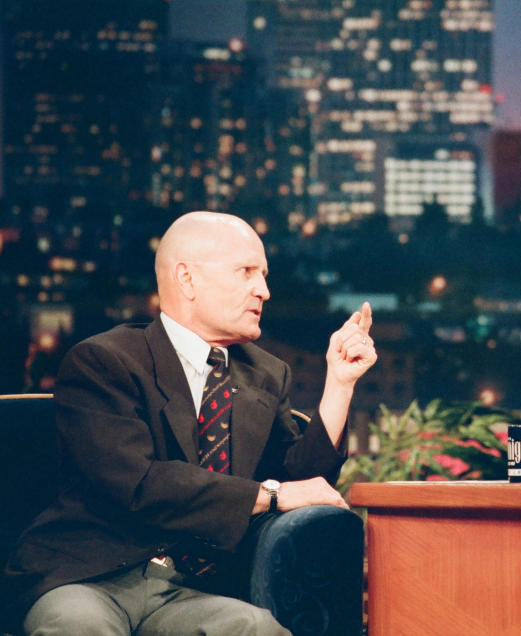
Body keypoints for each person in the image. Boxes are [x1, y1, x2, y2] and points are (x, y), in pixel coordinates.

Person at [5, 211, 377, 634]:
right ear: (187, 278)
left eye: (265, 275)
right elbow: (139, 484)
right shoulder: (104, 361)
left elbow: (301, 484)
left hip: (187, 590)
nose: (264, 290)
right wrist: (271, 494)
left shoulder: (266, 374)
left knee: (258, 629)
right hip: (88, 575)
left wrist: (340, 383)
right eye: (246, 272)